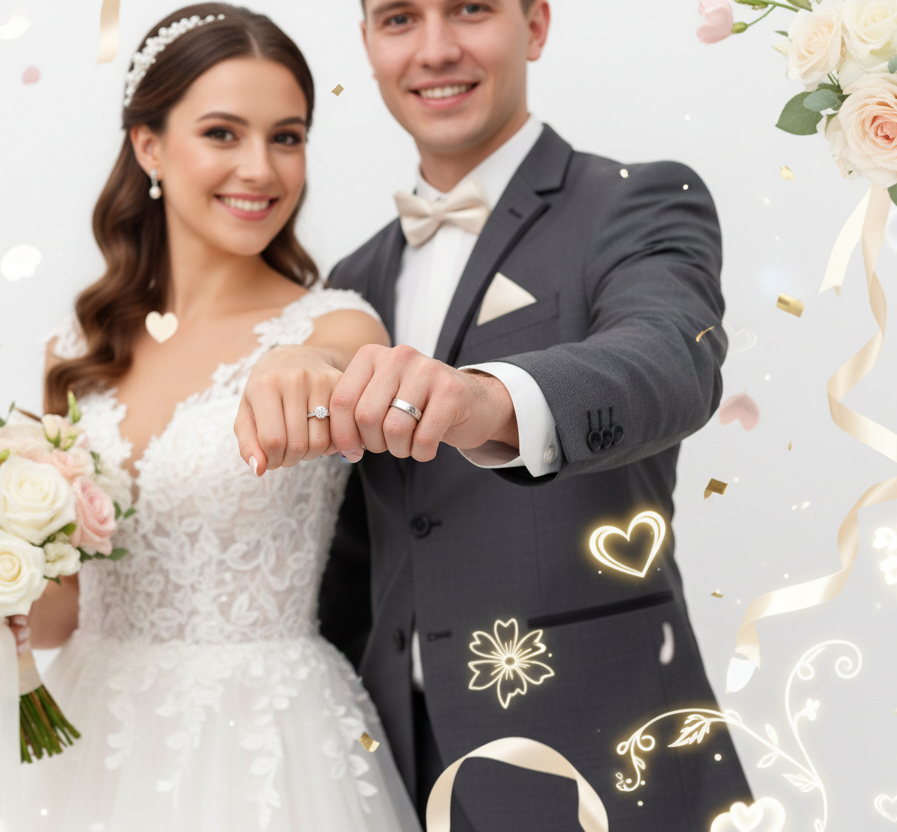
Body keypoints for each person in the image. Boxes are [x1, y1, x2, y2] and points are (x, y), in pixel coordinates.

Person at [235, 0, 754, 829]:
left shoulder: (638, 199)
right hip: (388, 764)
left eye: (471, 8)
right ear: (367, 44)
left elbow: (669, 359)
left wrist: (488, 399)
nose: (436, 50)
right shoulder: (350, 280)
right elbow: (348, 550)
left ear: (537, 25)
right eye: (400, 18)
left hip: (603, 746)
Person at [0, 5, 422, 830]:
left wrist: (307, 369)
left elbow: (337, 380)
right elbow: (63, 608)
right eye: (223, 133)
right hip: (93, 735)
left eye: (286, 137)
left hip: (267, 739)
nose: (261, 168)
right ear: (148, 145)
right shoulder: (76, 351)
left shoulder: (336, 326)